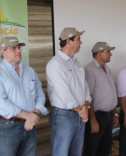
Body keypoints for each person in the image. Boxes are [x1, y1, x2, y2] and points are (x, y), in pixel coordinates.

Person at [0, 37, 47, 156]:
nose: (18, 51)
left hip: (29, 126)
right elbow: (0, 103)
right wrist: (28, 116)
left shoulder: (29, 70)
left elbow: (40, 94)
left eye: (19, 48)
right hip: (6, 127)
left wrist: (35, 113)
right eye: (13, 48)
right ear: (3, 51)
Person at [46, 27, 92, 156]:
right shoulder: (56, 64)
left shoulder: (76, 63)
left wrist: (86, 105)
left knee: (76, 153)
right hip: (63, 116)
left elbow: (85, 87)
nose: (81, 42)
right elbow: (63, 92)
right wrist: (81, 110)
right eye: (78, 39)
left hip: (80, 113)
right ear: (69, 41)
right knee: (61, 153)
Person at [83, 42, 119, 156]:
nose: (111, 54)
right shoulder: (90, 69)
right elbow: (88, 96)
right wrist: (93, 120)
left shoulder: (106, 69)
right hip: (97, 116)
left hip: (108, 116)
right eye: (108, 51)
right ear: (99, 53)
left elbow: (111, 94)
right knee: (92, 149)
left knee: (105, 149)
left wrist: (115, 114)